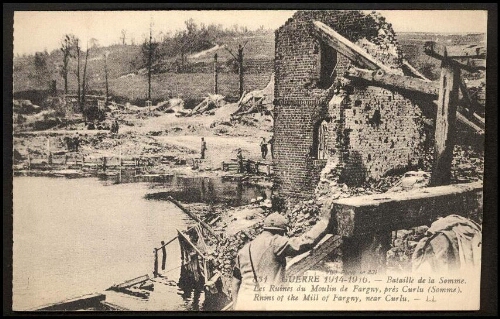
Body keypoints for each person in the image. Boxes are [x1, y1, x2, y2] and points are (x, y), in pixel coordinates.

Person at [231, 209, 332, 310]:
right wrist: (324, 221)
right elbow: (305, 242)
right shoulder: (275, 242)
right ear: (281, 231)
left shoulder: (244, 249)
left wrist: (236, 306)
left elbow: (235, 282)